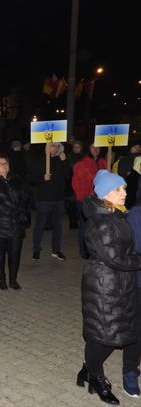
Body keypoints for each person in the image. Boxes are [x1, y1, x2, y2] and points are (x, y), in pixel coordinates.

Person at [77, 170, 141, 403]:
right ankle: (95, 377)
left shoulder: (115, 213)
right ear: (105, 194)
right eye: (118, 189)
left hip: (117, 282)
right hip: (105, 285)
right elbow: (116, 259)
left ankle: (88, 369)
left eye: (124, 188)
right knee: (103, 335)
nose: (124, 193)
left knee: (111, 331)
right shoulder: (102, 222)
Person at [0, 157, 30, 290]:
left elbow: (25, 197)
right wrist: (9, 210)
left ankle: (13, 280)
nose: (4, 165)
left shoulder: (16, 180)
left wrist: (22, 210)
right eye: (0, 163)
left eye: (6, 163)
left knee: (15, 253)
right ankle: (2, 279)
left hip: (16, 223)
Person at [28, 142, 71, 261]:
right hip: (43, 199)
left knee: (58, 226)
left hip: (59, 199)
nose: (55, 148)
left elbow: (68, 175)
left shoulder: (61, 160)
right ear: (47, 147)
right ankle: (36, 249)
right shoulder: (40, 160)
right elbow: (31, 179)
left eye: (57, 146)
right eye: (53, 145)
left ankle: (56, 250)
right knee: (40, 225)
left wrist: (64, 161)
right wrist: (43, 178)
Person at [72, 144, 107, 259]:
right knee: (85, 226)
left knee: (99, 226)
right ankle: (85, 250)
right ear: (88, 149)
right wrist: (82, 199)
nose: (95, 149)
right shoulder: (81, 164)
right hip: (86, 200)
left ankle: (97, 249)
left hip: (101, 200)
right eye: (92, 147)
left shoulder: (104, 163)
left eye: (98, 147)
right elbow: (76, 183)